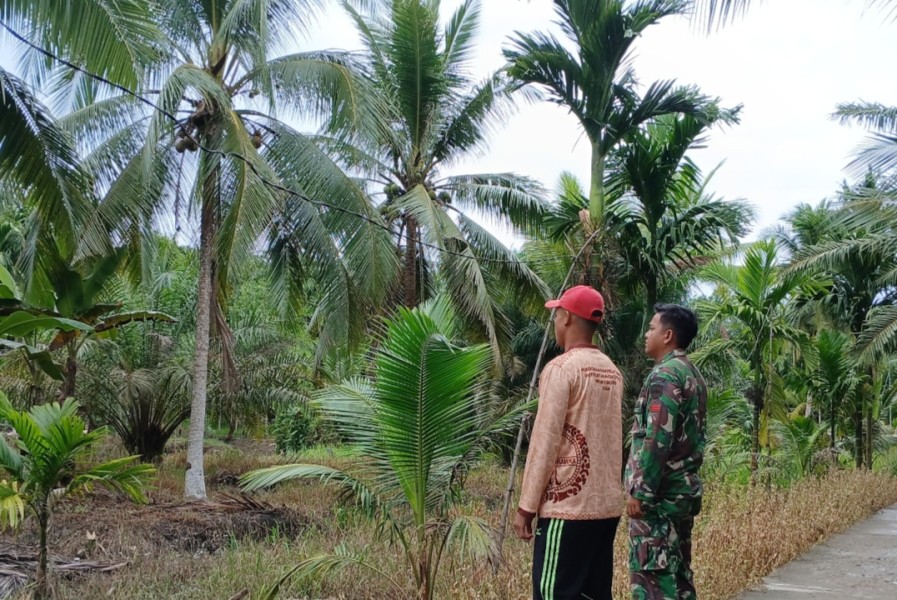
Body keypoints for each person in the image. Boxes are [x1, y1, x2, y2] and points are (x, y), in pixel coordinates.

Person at [515, 285, 624, 600]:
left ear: (565, 318)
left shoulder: (561, 369)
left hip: (567, 510)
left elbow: (545, 440)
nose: (555, 321)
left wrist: (526, 507)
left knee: (553, 594)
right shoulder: (612, 372)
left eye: (556, 314)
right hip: (606, 509)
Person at [625, 304, 708, 600]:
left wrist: (641, 491)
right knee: (680, 576)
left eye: (651, 328)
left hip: (660, 498)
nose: (646, 334)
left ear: (668, 335)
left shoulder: (665, 376)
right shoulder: (692, 373)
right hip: (682, 493)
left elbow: (657, 438)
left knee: (652, 581)